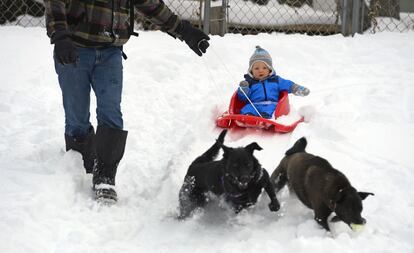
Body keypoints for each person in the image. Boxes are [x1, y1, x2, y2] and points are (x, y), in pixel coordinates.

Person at [44, 0, 210, 202]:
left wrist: (183, 30)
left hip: (110, 52)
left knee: (111, 111)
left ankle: (105, 175)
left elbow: (150, 5)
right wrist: (59, 34)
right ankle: (81, 166)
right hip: (74, 47)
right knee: (76, 115)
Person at [237, 46, 309, 119]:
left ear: (270, 69)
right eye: (256, 68)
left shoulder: (275, 80)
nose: (260, 70)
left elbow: (287, 84)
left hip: (271, 104)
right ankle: (248, 117)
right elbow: (243, 99)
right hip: (254, 105)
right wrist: (244, 89)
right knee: (247, 108)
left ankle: (265, 117)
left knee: (271, 109)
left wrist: (296, 88)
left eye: (264, 68)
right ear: (251, 70)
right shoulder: (249, 82)